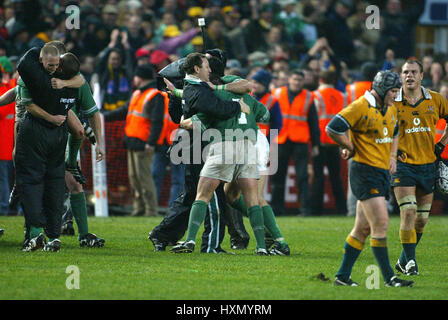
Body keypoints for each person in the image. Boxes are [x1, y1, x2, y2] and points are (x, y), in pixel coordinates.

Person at [148, 52, 252, 253]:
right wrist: (236, 105)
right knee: (210, 196)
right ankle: (211, 244)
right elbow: (216, 108)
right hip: (200, 147)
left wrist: (176, 94)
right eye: (206, 65)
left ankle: (163, 234)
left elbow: (177, 115)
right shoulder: (201, 89)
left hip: (194, 146)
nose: (209, 69)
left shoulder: (191, 87)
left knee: (193, 196)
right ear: (198, 69)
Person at [170, 54, 269, 255]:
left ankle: (189, 241)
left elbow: (195, 123)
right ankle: (262, 247)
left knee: (202, 195)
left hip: (224, 147)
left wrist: (181, 120)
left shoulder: (213, 97)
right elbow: (264, 114)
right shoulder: (244, 94)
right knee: (252, 200)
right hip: (249, 147)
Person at [326, 70, 413, 287]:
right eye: (393, 91)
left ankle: (342, 276)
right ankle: (390, 278)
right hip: (364, 172)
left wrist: (393, 156)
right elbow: (332, 128)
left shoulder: (390, 109)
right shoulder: (359, 107)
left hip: (381, 173)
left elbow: (394, 132)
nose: (396, 95)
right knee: (381, 223)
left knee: (362, 229)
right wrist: (349, 146)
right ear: (382, 90)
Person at [16, 44, 80, 252]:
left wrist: (41, 49)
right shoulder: (72, 83)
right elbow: (82, 79)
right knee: (54, 183)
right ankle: (54, 235)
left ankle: (34, 233)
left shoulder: (42, 80)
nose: (53, 68)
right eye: (50, 64)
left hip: (36, 132)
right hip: (59, 136)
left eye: (55, 64)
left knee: (31, 181)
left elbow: (24, 64)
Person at [391, 59, 448, 276]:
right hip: (404, 166)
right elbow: (379, 128)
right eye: (405, 72)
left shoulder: (435, 99)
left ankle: (403, 260)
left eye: (414, 72)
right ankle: (412, 262)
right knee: (408, 212)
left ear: (422, 75)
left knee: (422, 220)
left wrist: (442, 144)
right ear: (401, 75)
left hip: (427, 166)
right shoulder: (393, 101)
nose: (409, 76)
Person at [46, 41, 105, 247]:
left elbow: (93, 113)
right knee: (40, 184)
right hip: (41, 137)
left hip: (66, 138)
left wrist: (99, 143)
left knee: (74, 184)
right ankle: (35, 232)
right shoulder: (43, 76)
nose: (55, 67)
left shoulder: (78, 82)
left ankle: (84, 235)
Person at [104, 64, 164, 217]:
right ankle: (139, 208)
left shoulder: (154, 95)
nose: (134, 79)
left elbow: (157, 122)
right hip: (132, 140)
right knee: (134, 178)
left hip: (144, 143)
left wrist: (151, 142)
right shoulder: (137, 93)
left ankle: (151, 210)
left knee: (144, 179)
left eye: (136, 76)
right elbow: (124, 111)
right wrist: (102, 116)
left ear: (141, 77)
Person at [270, 69, 320, 216]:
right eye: (294, 79)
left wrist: (315, 144)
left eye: (299, 80)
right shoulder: (277, 94)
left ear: (303, 82)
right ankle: (276, 208)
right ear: (289, 80)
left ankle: (305, 209)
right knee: (278, 176)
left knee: (302, 177)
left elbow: (313, 122)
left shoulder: (309, 97)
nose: (297, 82)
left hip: (301, 141)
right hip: (280, 139)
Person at [310, 70, 347, 215]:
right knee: (336, 177)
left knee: (318, 176)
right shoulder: (343, 96)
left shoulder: (315, 95)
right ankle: (341, 209)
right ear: (334, 80)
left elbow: (313, 120)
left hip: (320, 141)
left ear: (320, 79)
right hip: (336, 141)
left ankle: (315, 210)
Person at [345, 61, 378, 216]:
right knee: (376, 176)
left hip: (353, 137)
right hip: (375, 138)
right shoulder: (379, 89)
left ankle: (352, 210)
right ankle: (376, 209)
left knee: (353, 177)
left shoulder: (350, 89)